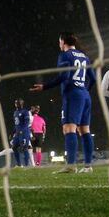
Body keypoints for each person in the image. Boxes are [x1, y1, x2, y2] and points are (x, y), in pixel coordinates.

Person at [30, 32, 96, 174]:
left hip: (72, 95)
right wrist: (84, 90)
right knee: (85, 130)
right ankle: (88, 166)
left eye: (59, 41)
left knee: (69, 129)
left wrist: (45, 86)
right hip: (85, 95)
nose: (59, 44)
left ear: (63, 42)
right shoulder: (84, 56)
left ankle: (71, 165)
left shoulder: (65, 56)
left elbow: (64, 76)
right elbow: (94, 79)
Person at [0, 99, 31, 167]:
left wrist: (22, 131)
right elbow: (16, 124)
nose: (16, 104)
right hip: (18, 133)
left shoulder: (25, 112)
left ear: (21, 104)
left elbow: (26, 123)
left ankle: (27, 165)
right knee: (14, 148)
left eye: (18, 103)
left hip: (24, 133)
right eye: (15, 103)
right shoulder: (15, 112)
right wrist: (12, 133)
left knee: (25, 148)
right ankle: (19, 165)